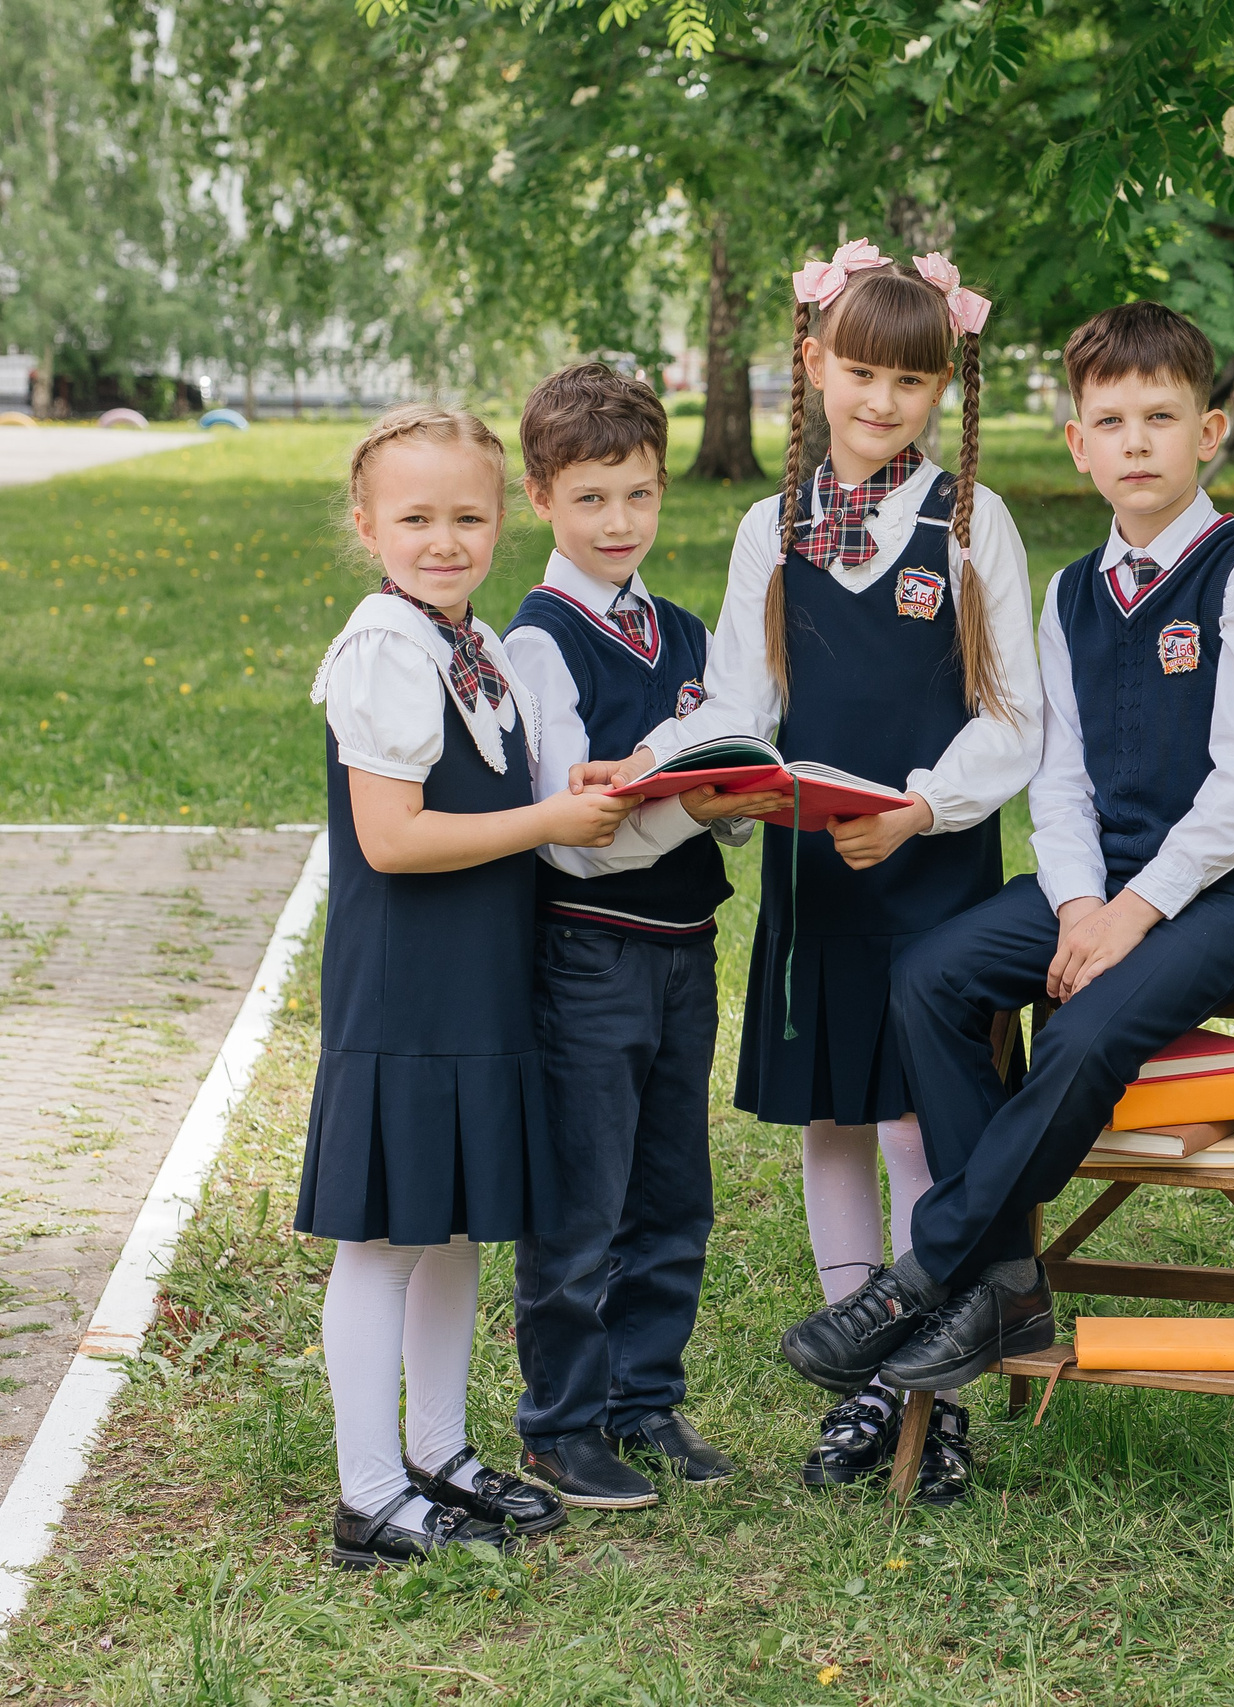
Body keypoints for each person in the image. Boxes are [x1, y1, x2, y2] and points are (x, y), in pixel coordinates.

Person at [776, 300, 1234, 1401]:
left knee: (1081, 1034)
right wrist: (1078, 905)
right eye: (1109, 421)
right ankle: (1008, 1285)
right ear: (1077, 442)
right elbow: (1058, 777)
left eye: (1159, 418)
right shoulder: (1075, 593)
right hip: (1101, 882)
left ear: (1206, 434)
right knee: (930, 976)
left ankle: (933, 1269)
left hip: (1230, 891)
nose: (1135, 442)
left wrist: (1133, 912)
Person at [595, 243, 1039, 1504]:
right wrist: (661, 759)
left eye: (911, 380)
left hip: (930, 872)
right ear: (813, 366)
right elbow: (742, 700)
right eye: (858, 372)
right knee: (835, 1115)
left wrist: (921, 808)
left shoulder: (969, 522)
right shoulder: (769, 528)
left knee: (915, 1117)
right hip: (816, 873)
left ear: (942, 388)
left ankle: (928, 1392)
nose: (881, 401)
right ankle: (860, 1387)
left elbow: (1014, 722)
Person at [299, 406, 633, 1567]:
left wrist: (571, 786)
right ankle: (369, 1491)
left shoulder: (463, 641)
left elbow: (489, 794)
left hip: (478, 985)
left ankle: (438, 1454)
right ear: (368, 525)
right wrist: (550, 816)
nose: (445, 539)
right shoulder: (388, 646)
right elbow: (391, 839)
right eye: (416, 518)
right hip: (409, 991)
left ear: (502, 518)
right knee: (387, 1241)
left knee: (451, 1237)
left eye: (468, 516)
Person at [502, 362, 759, 1511]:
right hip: (591, 955)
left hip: (685, 948)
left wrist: (738, 805)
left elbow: (720, 796)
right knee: (584, 1202)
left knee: (673, 1194)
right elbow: (569, 835)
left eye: (641, 496)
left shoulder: (690, 631)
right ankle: (561, 1425)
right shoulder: (538, 644)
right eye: (593, 498)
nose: (620, 522)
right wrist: (681, 807)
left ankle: (645, 1398)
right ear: (542, 497)